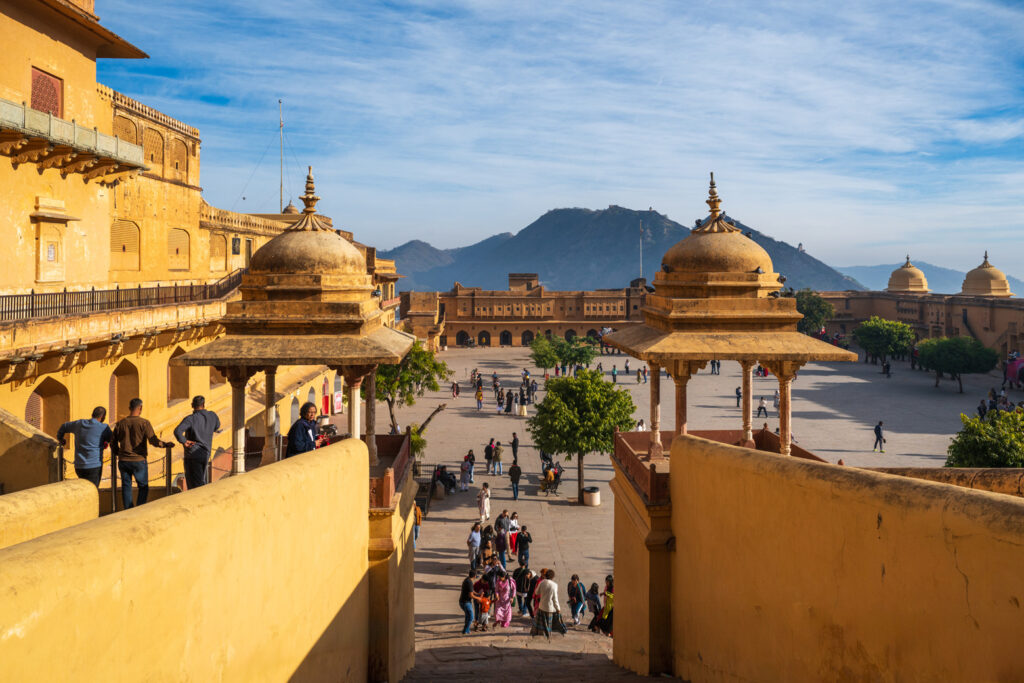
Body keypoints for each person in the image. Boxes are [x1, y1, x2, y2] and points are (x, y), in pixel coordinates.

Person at [111, 398, 173, 509]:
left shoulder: (120, 424)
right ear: (140, 408)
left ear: (129, 408)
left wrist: (117, 452)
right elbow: (153, 440)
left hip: (123, 460)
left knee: (126, 486)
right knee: (143, 487)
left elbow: (113, 442)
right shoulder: (144, 423)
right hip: (138, 460)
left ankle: (128, 510)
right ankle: (139, 509)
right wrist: (164, 445)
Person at [56, 406, 113, 487]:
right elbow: (112, 439)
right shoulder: (103, 427)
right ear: (103, 417)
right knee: (93, 491)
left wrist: (60, 438)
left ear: (92, 414)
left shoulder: (79, 423)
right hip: (94, 466)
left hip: (79, 466)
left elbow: (64, 426)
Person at [173, 395, 221, 490]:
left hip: (193, 455)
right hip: (206, 453)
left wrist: (184, 441)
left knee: (195, 485)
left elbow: (177, 431)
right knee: (201, 479)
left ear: (192, 405)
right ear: (203, 404)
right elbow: (217, 426)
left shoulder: (190, 419)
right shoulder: (212, 415)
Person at [531, 569, 567, 639]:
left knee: (542, 622)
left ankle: (542, 633)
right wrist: (558, 608)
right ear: (552, 577)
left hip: (541, 606)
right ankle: (548, 634)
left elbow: (536, 592)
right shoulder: (554, 585)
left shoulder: (542, 582)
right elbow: (555, 599)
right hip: (550, 608)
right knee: (548, 623)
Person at [459, 569, 477, 635]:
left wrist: (477, 594)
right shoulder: (469, 582)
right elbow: (471, 595)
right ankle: (465, 630)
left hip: (463, 601)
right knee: (471, 617)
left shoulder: (467, 580)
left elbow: (471, 590)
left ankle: (466, 629)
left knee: (467, 616)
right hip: (466, 602)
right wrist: (478, 598)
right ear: (475, 576)